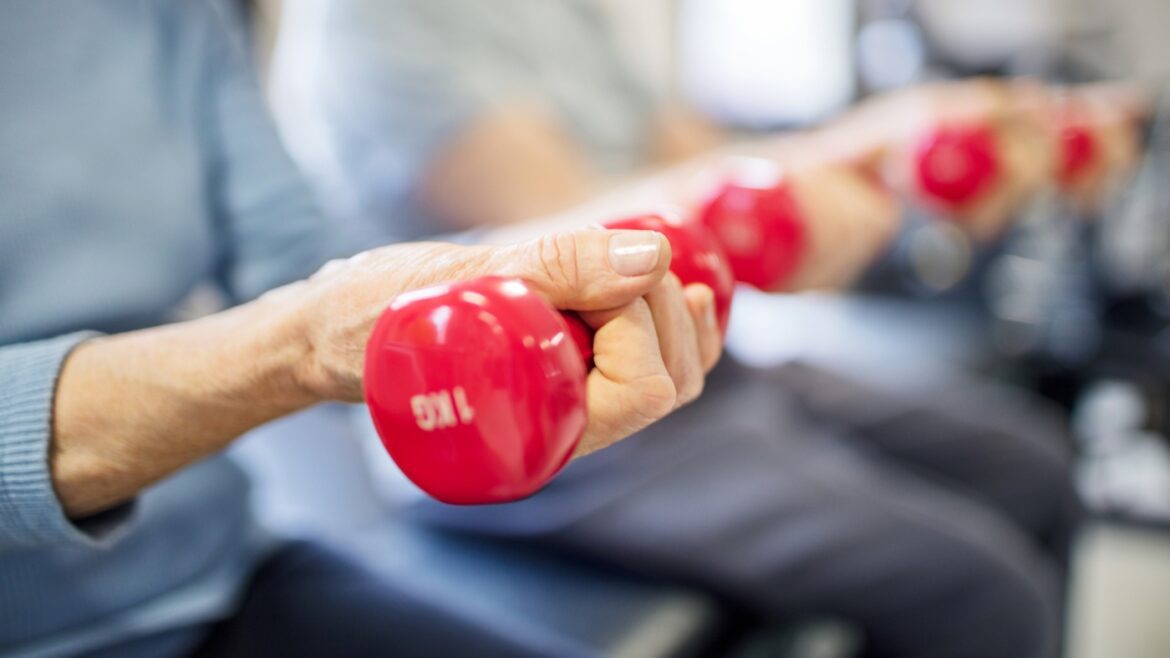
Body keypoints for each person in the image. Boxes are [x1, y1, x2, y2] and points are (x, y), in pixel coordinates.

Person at [292, 1, 1096, 655]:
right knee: (984, 594)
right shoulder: (378, 19)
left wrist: (891, 171)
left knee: (1031, 465)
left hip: (691, 360)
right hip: (533, 428)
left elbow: (699, 159)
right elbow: (569, 245)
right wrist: (854, 143)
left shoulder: (566, 14)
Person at [0, 2, 724, 656]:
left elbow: (296, 265)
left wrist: (524, 302)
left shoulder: (175, 16)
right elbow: (308, 324)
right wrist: (307, 344)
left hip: (217, 573)